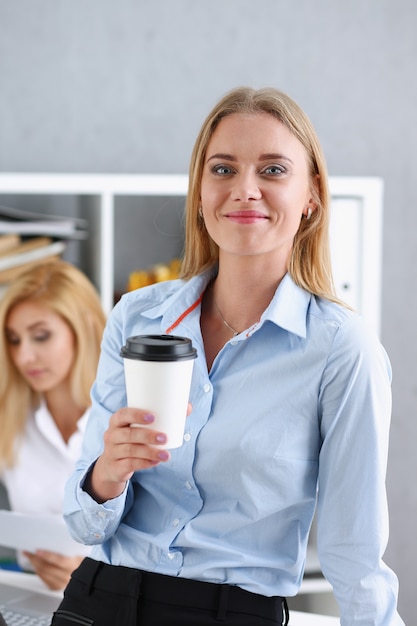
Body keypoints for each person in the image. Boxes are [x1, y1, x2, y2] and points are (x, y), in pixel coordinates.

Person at [53, 87, 404, 625]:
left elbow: (354, 551)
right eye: (222, 169)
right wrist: (107, 473)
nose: (244, 190)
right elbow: (84, 526)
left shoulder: (341, 349)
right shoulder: (137, 318)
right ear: (198, 190)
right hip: (97, 602)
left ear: (311, 194)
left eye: (272, 170)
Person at [0, 259, 106, 591]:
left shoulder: (125, 418)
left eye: (41, 337)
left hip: (112, 601)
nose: (24, 357)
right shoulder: (10, 417)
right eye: (15, 340)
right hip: (28, 593)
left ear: (84, 329)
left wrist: (87, 574)